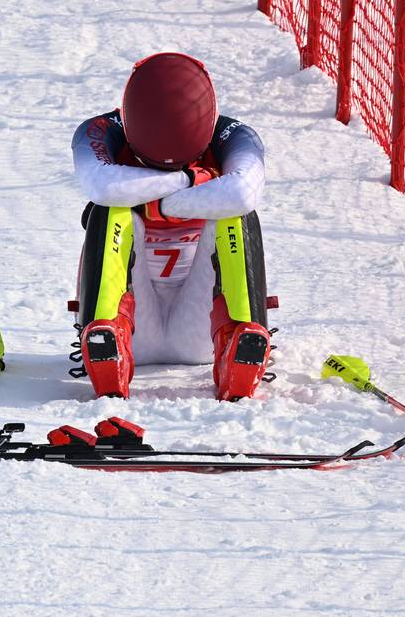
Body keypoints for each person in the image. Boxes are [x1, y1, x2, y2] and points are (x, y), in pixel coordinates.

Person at [69, 52, 272, 401]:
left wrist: (153, 199)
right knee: (111, 210)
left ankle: (238, 342)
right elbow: (104, 185)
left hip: (200, 322)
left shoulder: (236, 136)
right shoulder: (99, 131)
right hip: (133, 321)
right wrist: (193, 180)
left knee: (236, 215)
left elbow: (242, 192)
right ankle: (107, 340)